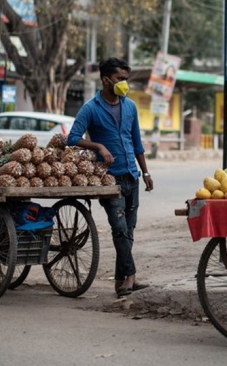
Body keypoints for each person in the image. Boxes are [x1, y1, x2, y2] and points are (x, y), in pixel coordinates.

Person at [67, 57, 154, 297]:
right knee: (119, 228)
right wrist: (98, 147)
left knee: (129, 231)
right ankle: (131, 276)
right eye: (120, 79)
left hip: (131, 176)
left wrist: (145, 172)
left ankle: (119, 280)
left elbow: (136, 142)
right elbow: (72, 138)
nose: (124, 84)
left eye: (126, 79)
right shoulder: (91, 108)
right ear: (106, 80)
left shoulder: (130, 107)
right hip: (109, 179)